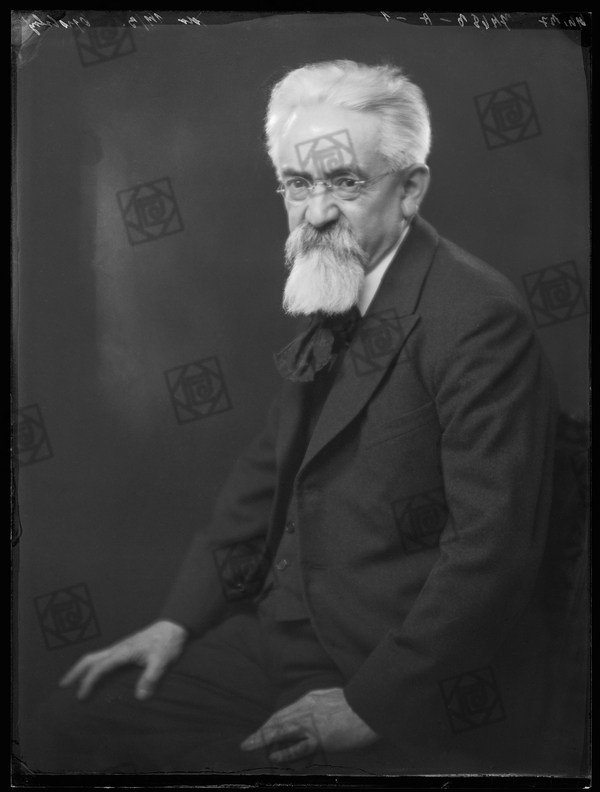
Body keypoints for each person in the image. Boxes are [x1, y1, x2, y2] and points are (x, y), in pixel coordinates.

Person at [31, 60, 584, 775]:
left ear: (410, 189)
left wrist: (370, 706)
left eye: (346, 183)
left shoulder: (478, 318)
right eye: (298, 184)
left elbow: (492, 553)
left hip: (394, 674)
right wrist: (177, 621)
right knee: (65, 728)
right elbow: (270, 470)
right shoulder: (336, 279)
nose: (316, 213)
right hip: (279, 642)